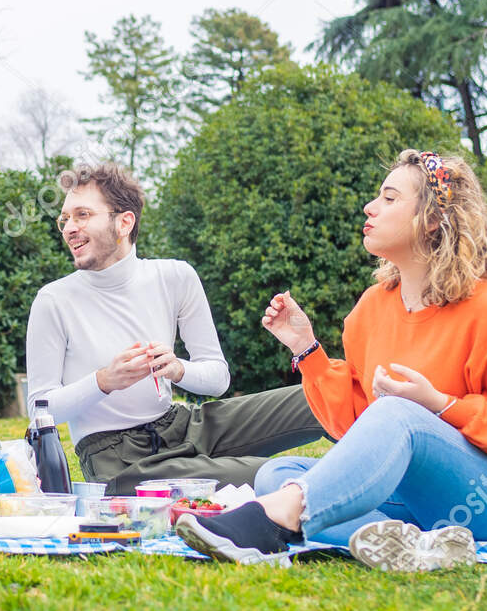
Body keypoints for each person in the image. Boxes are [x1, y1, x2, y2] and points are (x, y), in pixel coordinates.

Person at [176, 149, 487, 570]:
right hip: (412, 503)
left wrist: (440, 405)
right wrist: (307, 349)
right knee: (276, 475)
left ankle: (271, 520)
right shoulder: (372, 308)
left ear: (432, 219)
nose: (370, 207)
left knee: (398, 413)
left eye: (390, 198)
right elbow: (355, 428)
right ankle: (417, 546)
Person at [25, 162, 323, 496]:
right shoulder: (53, 300)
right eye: (65, 219)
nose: (68, 228)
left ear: (124, 222)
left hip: (182, 426)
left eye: (82, 215)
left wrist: (179, 369)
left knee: (321, 394)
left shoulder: (175, 277)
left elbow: (217, 378)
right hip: (119, 463)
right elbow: (39, 410)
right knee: (271, 476)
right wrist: (104, 381)